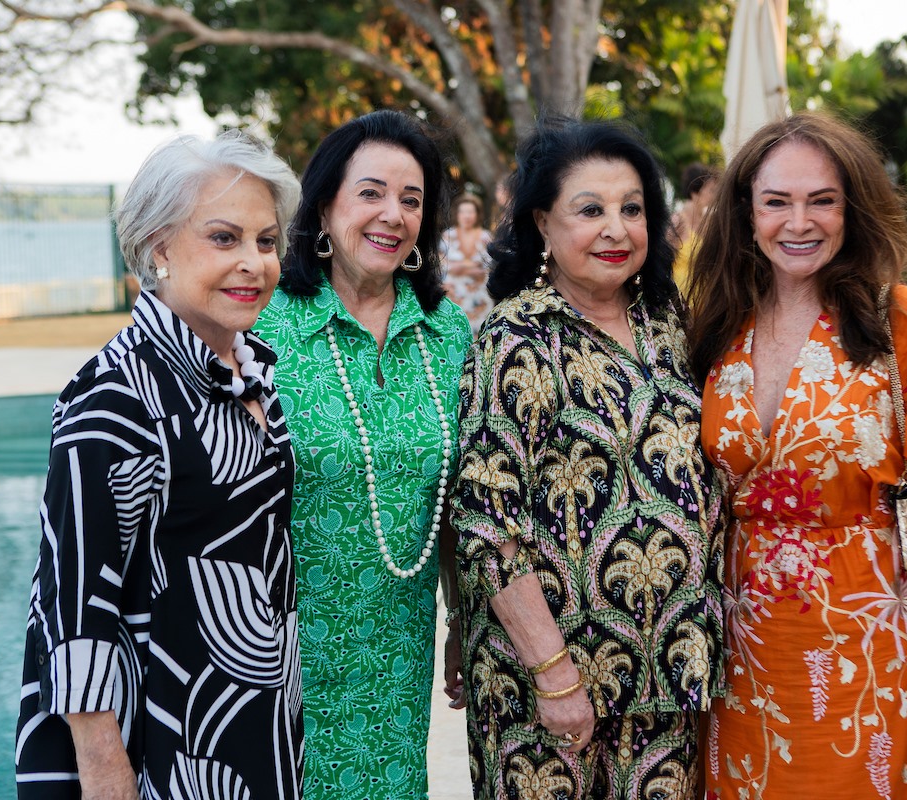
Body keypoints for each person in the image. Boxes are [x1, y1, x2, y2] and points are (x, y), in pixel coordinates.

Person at [685, 111, 907, 799]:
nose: (800, 222)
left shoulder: (899, 320)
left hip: (877, 640)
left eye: (822, 200)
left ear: (851, 209)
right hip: (742, 650)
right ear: (746, 212)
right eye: (777, 202)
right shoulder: (718, 323)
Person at [14, 131, 304, 798]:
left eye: (266, 241)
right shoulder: (116, 397)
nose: (254, 263)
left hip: (252, 721)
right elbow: (73, 605)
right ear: (160, 248)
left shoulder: (251, 372)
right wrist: (105, 771)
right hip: (161, 739)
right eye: (224, 238)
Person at [452, 116, 726, 799]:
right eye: (590, 210)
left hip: (670, 679)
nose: (616, 228)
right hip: (551, 695)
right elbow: (489, 529)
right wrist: (554, 675)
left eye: (632, 209)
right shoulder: (513, 339)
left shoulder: (670, 327)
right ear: (542, 223)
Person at [252, 109, 472, 800]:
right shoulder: (265, 324)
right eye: (371, 192)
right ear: (324, 204)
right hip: (274, 653)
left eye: (412, 200)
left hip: (396, 657)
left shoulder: (448, 332)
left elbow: (459, 493)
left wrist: (463, 616)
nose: (392, 215)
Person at [441, 192, 495, 330]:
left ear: (477, 214)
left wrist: (461, 267)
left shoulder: (486, 237)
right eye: (463, 212)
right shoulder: (448, 235)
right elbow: (441, 264)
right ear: (457, 214)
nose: (467, 216)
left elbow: (490, 266)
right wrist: (472, 266)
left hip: (479, 298)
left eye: (470, 212)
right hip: (453, 296)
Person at [670, 162, 719, 298]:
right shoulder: (677, 222)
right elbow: (663, 264)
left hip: (706, 300)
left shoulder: (709, 221)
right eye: (710, 190)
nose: (713, 196)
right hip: (682, 301)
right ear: (695, 192)